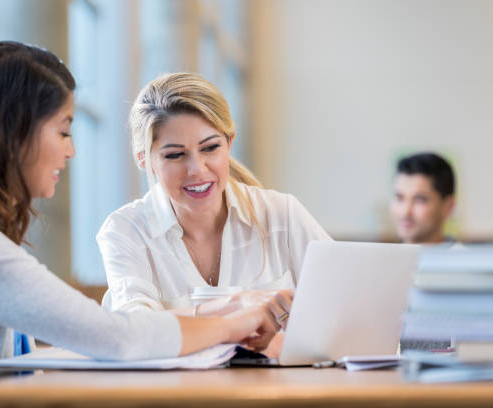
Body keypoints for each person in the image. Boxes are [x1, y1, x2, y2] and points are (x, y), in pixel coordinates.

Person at [0, 43, 282, 408]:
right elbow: (117, 337)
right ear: (14, 132)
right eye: (63, 130)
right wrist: (234, 323)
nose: (70, 150)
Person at [97, 72, 331, 350]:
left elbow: (346, 304)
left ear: (229, 144)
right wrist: (236, 305)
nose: (197, 169)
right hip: (171, 394)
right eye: (175, 155)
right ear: (145, 161)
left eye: (210, 148)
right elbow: (133, 328)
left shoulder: (283, 215)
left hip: (276, 390)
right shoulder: (126, 230)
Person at [390, 152, 456, 245]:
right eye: (400, 198)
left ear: (448, 207)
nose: (405, 212)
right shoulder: (384, 259)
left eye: (419, 200)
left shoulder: (467, 259)